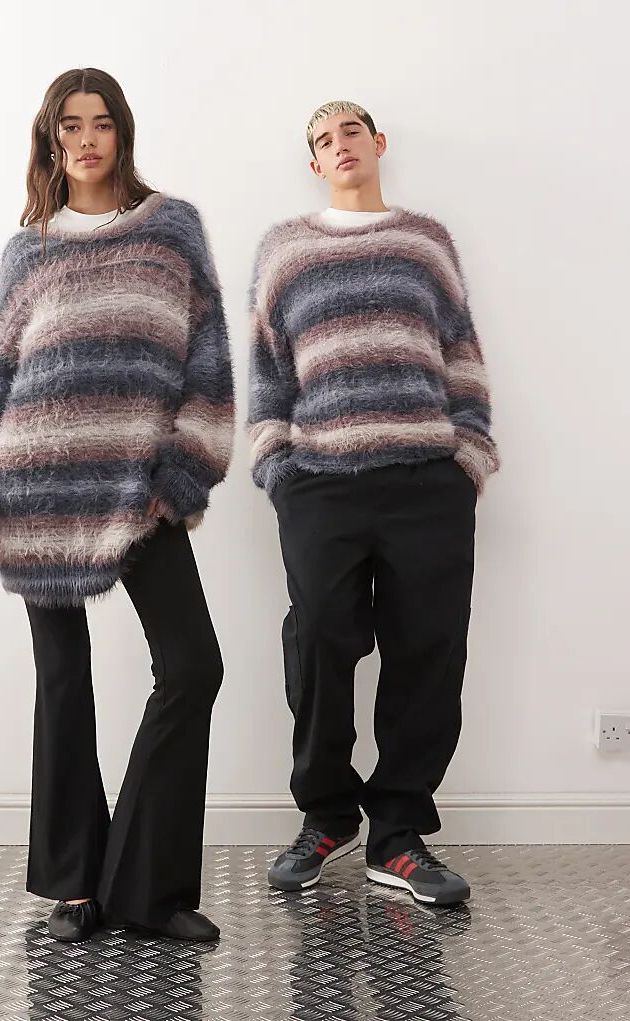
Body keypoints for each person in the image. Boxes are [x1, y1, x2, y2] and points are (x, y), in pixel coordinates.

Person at [0, 68, 235, 943]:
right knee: (63, 681)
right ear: (51, 138)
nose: (87, 139)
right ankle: (75, 884)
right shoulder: (27, 252)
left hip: (141, 491)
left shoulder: (173, 229)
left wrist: (181, 475)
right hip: (37, 490)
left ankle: (145, 887)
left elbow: (210, 363)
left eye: (101, 123)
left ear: (122, 132)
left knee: (193, 667)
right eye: (70, 125)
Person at [246, 100, 500, 906]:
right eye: (323, 139)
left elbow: (461, 351)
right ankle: (326, 815)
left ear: (377, 142)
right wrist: (275, 463)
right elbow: (268, 370)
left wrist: (469, 456)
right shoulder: (284, 248)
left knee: (429, 650)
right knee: (319, 641)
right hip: (319, 482)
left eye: (350, 130)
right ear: (314, 164)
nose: (339, 144)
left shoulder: (424, 240)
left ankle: (398, 834)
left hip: (427, 479)